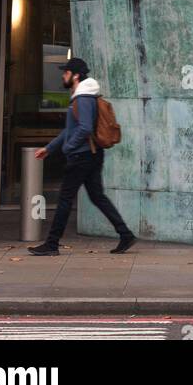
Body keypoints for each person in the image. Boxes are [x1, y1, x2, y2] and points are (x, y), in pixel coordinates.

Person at [28, 58, 136, 256]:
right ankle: (125, 234)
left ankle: (51, 244)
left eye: (66, 72)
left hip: (82, 156)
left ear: (75, 75)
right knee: (97, 197)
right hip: (90, 154)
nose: (63, 76)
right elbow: (70, 130)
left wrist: (68, 148)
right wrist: (50, 148)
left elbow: (84, 127)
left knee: (65, 199)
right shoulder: (82, 96)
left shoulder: (83, 98)